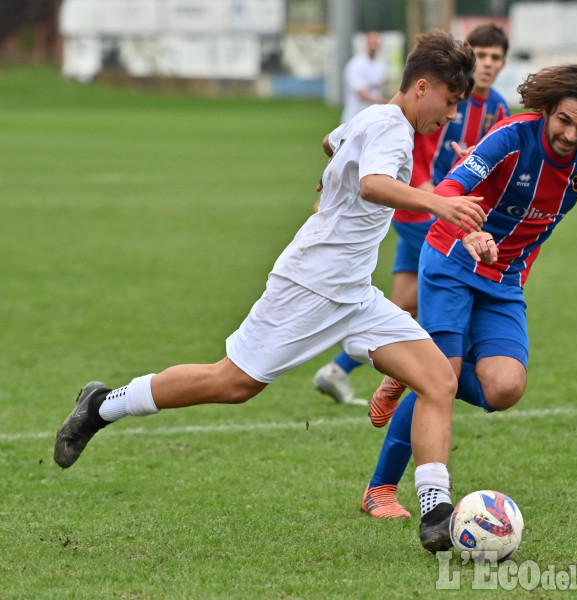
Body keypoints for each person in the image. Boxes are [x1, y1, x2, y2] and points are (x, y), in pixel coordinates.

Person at [53, 30, 486, 553]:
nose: (452, 115)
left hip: (353, 292)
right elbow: (372, 183)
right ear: (423, 87)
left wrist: (327, 194)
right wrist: (438, 203)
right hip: (309, 284)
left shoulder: (373, 117)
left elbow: (332, 143)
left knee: (437, 379)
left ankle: (436, 511)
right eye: (451, 101)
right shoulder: (392, 129)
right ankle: (104, 405)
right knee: (233, 382)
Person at [360, 64, 577, 520]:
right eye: (564, 121)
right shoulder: (511, 136)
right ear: (546, 110)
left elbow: (541, 219)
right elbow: (451, 188)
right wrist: (470, 228)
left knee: (504, 388)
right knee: (442, 377)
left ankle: (408, 371)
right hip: (452, 258)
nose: (572, 135)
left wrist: (512, 262)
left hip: (505, 278)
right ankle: (381, 488)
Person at [314, 24, 510, 408]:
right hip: (425, 208)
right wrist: (441, 203)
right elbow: (409, 158)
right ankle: (412, 374)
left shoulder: (497, 108)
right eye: (481, 56)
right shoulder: (438, 99)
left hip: (437, 209)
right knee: (455, 289)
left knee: (406, 300)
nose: (486, 65)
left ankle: (337, 370)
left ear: (503, 63)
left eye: (495, 58)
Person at [340, 31, 389, 124]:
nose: (374, 46)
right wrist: (383, 102)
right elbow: (360, 93)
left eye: (377, 43)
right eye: (372, 43)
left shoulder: (381, 66)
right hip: (354, 117)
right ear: (366, 43)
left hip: (372, 118)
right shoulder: (356, 64)